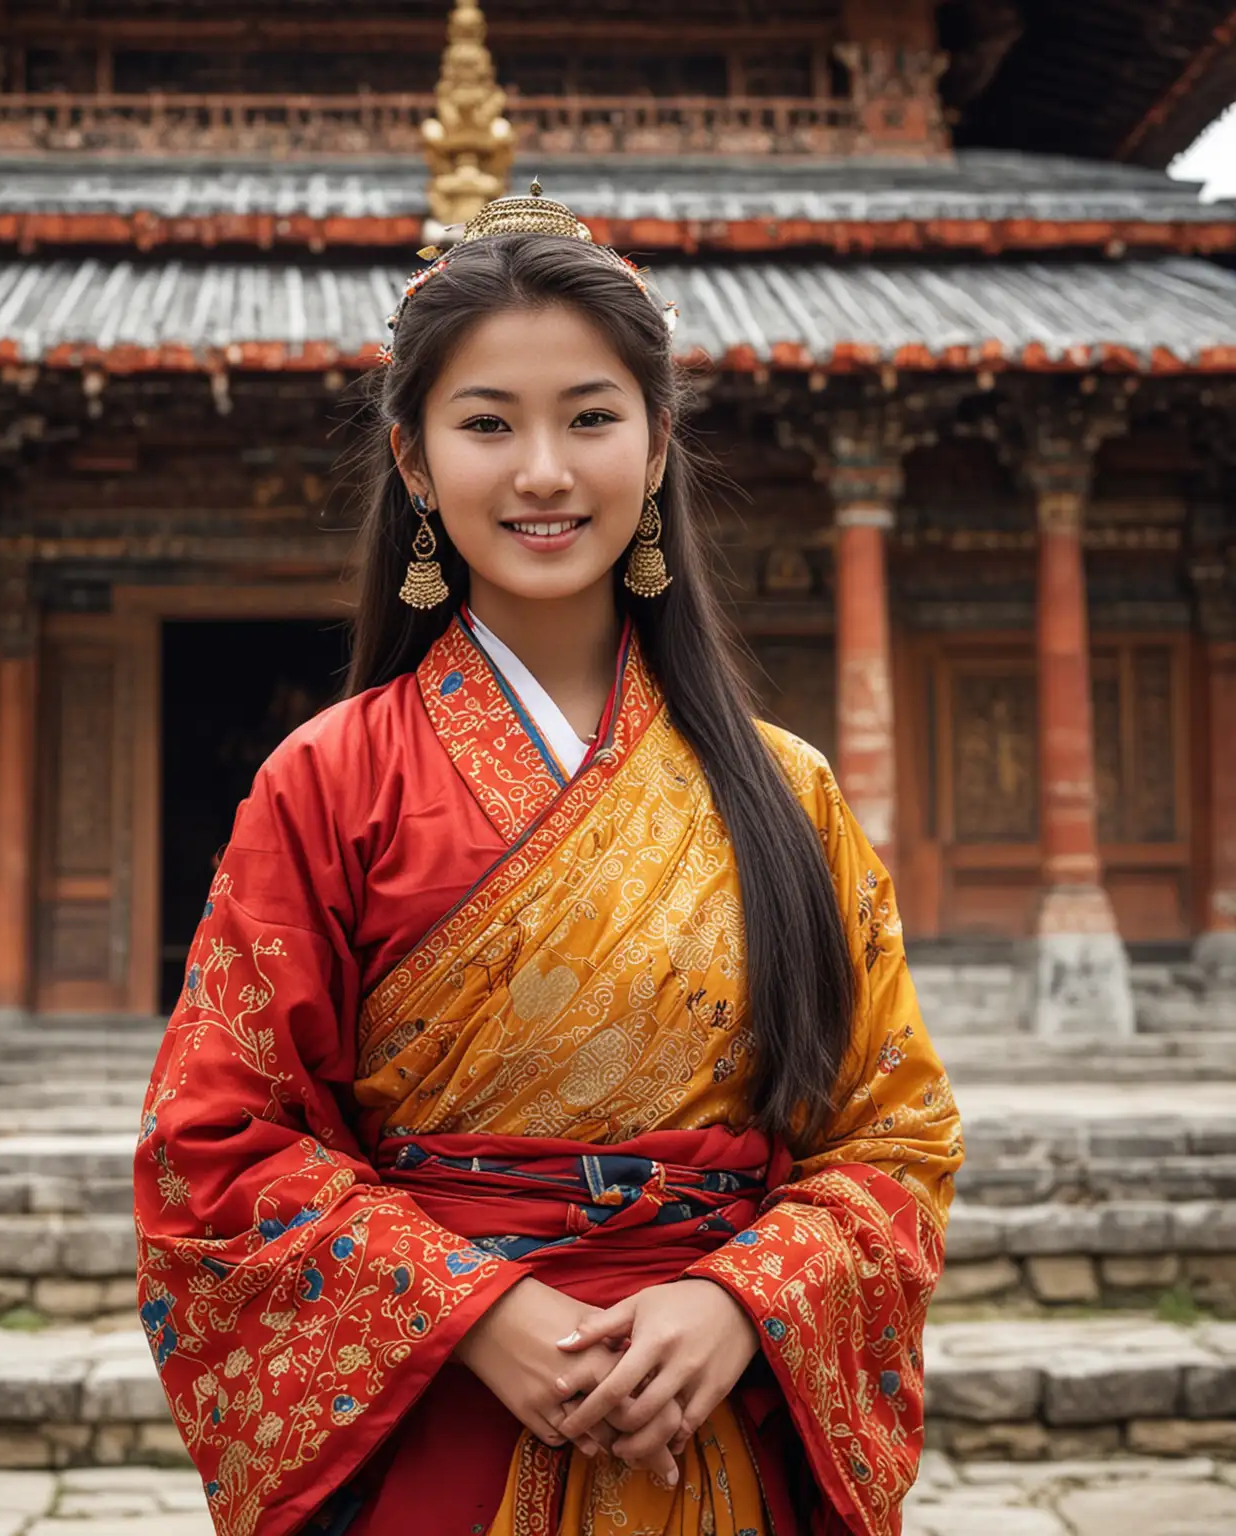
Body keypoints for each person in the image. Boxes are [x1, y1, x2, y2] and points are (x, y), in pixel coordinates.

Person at [134, 181, 964, 1536]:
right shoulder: (327, 779)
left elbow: (896, 1133)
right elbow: (214, 1142)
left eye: (590, 417)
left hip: (714, 1428)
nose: (541, 471)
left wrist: (743, 1300)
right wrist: (471, 1310)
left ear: (655, 446)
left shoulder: (789, 795)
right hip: (446, 1421)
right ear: (413, 463)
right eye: (486, 424)